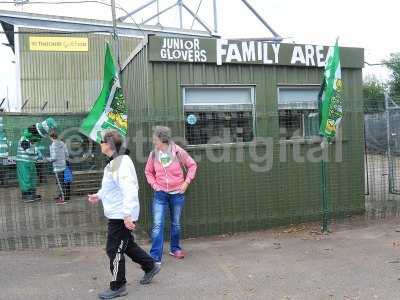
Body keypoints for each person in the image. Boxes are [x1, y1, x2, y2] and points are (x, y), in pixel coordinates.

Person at [88, 130, 160, 300]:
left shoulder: (121, 163)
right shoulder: (113, 163)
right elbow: (109, 188)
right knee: (126, 245)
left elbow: (129, 189)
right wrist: (98, 195)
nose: (100, 144)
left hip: (121, 215)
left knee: (114, 250)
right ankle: (150, 266)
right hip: (118, 214)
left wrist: (127, 215)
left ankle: (118, 285)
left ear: (109, 145)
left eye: (102, 141)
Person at [145, 126, 197, 264]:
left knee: (176, 224)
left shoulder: (178, 152)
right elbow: (148, 172)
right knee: (157, 225)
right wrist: (155, 185)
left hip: (177, 194)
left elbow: (192, 165)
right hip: (160, 194)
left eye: (155, 138)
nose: (153, 141)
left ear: (163, 139)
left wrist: (186, 183)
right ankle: (155, 256)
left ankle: (175, 248)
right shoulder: (154, 154)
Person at [48, 131, 69, 204]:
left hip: (57, 167)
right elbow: (67, 154)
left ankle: (63, 199)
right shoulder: (62, 143)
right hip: (63, 165)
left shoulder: (53, 145)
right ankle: (61, 196)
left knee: (60, 183)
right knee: (61, 182)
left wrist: (47, 159)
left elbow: (54, 158)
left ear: (50, 137)